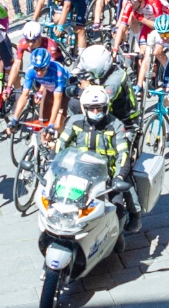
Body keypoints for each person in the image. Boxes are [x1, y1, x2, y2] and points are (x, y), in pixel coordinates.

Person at [58, 85, 139, 230]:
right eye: (91, 108)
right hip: (80, 172)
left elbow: (123, 153)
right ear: (84, 108)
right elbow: (61, 143)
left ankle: (134, 215)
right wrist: (53, 162)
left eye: (99, 108)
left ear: (106, 107)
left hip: (108, 175)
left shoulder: (115, 125)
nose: (95, 111)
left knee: (119, 204)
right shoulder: (74, 122)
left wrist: (119, 176)